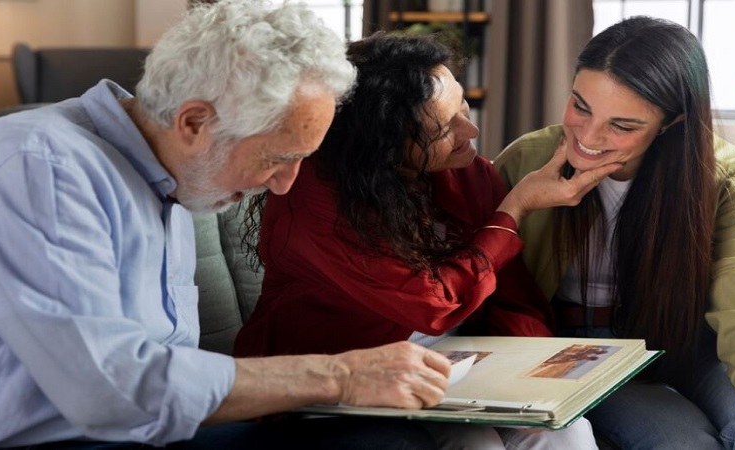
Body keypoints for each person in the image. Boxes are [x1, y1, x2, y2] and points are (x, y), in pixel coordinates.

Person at [0, 2, 455, 449]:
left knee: (385, 438)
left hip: (159, 436)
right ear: (194, 122)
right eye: (278, 158)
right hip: (63, 442)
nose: (284, 185)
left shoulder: (172, 176)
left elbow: (174, 380)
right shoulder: (40, 163)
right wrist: (340, 375)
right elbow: (108, 391)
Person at [234, 31, 622, 449]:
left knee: (566, 430)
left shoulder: (468, 172)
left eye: (461, 104)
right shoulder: (312, 204)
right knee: (477, 445)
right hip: (340, 370)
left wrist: (536, 374)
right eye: (442, 131)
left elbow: (512, 296)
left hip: (454, 358)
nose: (469, 130)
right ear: (382, 149)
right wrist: (514, 209)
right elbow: (431, 303)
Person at [494, 16, 735, 450]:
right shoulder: (526, 161)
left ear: (672, 124)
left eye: (622, 125)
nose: (588, 136)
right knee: (682, 442)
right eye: (580, 106)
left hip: (681, 339)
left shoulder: (725, 177)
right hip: (568, 344)